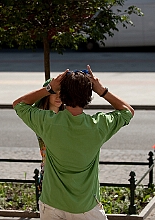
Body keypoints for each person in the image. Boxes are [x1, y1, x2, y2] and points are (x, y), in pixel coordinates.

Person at [13, 65, 134, 219]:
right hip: (86, 206)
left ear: (62, 95)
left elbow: (19, 104)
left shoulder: (47, 122)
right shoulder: (99, 125)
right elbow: (127, 111)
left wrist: (49, 88)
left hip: (52, 203)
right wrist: (102, 90)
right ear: (89, 96)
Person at [33, 79, 65, 193]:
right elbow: (23, 105)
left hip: (67, 171)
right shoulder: (39, 118)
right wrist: (46, 89)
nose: (58, 97)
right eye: (54, 93)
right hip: (49, 172)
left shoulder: (67, 117)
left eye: (61, 93)